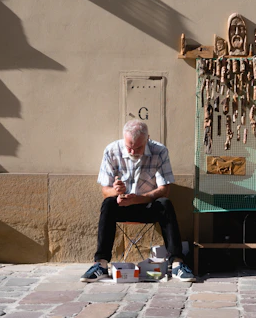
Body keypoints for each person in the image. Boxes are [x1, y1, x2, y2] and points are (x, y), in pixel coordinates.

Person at [80, 120, 196, 282]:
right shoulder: (112, 150)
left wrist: (139, 199)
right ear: (123, 139)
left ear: (148, 139)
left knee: (165, 204)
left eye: (138, 147)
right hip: (121, 205)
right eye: (129, 146)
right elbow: (105, 191)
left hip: (147, 205)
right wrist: (117, 191)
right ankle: (101, 263)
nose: (133, 151)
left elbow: (164, 190)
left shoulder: (159, 151)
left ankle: (177, 264)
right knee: (108, 204)